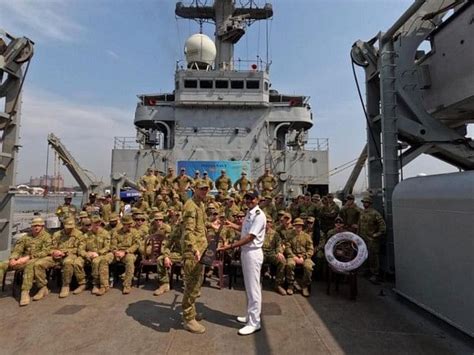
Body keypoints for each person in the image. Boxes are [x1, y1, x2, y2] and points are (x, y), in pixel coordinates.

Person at [219, 189, 266, 336]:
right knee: (249, 287)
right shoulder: (249, 213)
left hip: (253, 252)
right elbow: (244, 230)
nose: (248, 201)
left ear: (258, 199)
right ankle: (250, 316)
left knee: (253, 289)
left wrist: (230, 246)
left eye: (251, 199)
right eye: (246, 198)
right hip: (246, 252)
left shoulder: (259, 216)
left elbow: (250, 237)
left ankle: (254, 323)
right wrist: (231, 224)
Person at [0, 217, 51, 306]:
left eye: (39, 225)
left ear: (43, 226)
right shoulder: (26, 237)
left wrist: (28, 257)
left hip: (35, 259)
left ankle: (25, 292)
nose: (36, 227)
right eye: (34, 225)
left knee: (30, 265)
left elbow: (45, 252)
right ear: (31, 227)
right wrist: (13, 258)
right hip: (20, 260)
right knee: (2, 265)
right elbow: (17, 249)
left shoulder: (46, 237)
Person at [181, 181, 209, 334]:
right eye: (202, 189)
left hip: (201, 251)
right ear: (195, 189)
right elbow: (188, 231)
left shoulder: (201, 205)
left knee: (197, 285)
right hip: (194, 253)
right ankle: (188, 319)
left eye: (206, 189)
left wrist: (211, 226)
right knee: (191, 286)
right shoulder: (191, 206)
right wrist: (194, 249)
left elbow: (200, 227)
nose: (205, 191)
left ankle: (192, 313)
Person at [34, 218, 83, 298]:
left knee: (68, 262)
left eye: (71, 227)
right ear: (64, 225)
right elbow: (50, 247)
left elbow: (79, 249)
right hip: (56, 256)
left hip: (70, 255)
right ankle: (42, 287)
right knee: (38, 264)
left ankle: (65, 286)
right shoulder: (57, 234)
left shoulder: (79, 234)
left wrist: (65, 252)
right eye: (68, 227)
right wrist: (53, 252)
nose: (69, 229)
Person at [358, 196, 386, 284]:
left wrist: (376, 235)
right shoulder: (362, 212)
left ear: (369, 203)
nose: (364, 204)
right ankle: (365, 270)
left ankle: (375, 274)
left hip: (372, 240)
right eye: (363, 202)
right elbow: (359, 225)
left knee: (373, 257)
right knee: (364, 255)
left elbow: (383, 227)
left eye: (366, 202)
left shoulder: (375, 213)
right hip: (363, 239)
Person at [285, 218, 314, 297]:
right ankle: (290, 285)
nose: (298, 227)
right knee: (289, 265)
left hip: (304, 257)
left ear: (302, 227)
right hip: (293, 255)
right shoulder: (289, 235)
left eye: (300, 226)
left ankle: (304, 286)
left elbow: (311, 250)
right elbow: (287, 247)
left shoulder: (307, 236)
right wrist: (293, 256)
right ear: (294, 226)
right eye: (296, 226)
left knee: (308, 267)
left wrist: (303, 257)